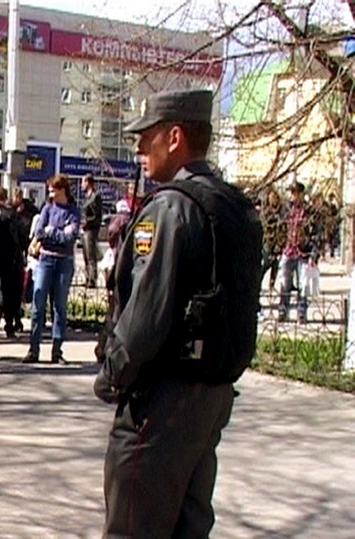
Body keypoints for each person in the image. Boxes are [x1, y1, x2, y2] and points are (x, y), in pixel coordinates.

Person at [93, 89, 262, 538]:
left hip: (159, 401)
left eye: (145, 138)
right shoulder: (231, 204)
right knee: (189, 526)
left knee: (133, 526)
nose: (137, 149)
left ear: (174, 137)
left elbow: (146, 314)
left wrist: (112, 374)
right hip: (211, 395)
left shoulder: (171, 207)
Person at [22, 175, 80, 364]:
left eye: (53, 190)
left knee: (59, 307)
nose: (50, 193)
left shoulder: (73, 211)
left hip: (64, 262)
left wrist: (51, 231)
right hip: (45, 260)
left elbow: (69, 238)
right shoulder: (47, 209)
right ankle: (33, 349)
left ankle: (57, 351)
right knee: (38, 305)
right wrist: (57, 232)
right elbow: (39, 233)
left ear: (62, 190)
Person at [0, 187, 24, 339]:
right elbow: (19, 237)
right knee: (8, 292)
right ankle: (9, 326)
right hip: (9, 258)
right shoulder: (13, 215)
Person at [278, 181, 312, 323]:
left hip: (303, 253)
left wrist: (313, 254)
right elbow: (280, 229)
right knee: (284, 282)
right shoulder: (286, 210)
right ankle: (283, 310)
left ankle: (301, 311)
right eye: (291, 193)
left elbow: (315, 233)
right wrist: (279, 247)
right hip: (288, 251)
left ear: (301, 194)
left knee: (303, 284)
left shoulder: (308, 211)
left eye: (295, 193)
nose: (293, 196)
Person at [260, 187, 286, 291]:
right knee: (265, 264)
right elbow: (264, 227)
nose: (274, 199)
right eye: (272, 197)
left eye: (275, 197)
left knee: (275, 264)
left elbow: (283, 228)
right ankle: (259, 283)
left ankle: (271, 285)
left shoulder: (281, 212)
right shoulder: (266, 212)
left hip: (277, 242)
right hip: (267, 243)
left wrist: (280, 243)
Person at [80, 173, 103, 287]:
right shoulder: (87, 197)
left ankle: (92, 279)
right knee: (85, 255)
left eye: (83, 182)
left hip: (91, 229)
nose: (81, 185)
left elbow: (97, 215)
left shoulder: (95, 196)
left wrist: (87, 221)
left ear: (88, 183)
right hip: (84, 229)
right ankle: (87, 277)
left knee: (91, 255)